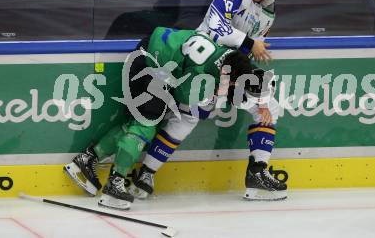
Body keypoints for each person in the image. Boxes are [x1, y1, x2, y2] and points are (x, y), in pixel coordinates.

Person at [131, 0, 288, 201]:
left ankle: (257, 172)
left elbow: (247, 53)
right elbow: (216, 27)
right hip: (200, 63)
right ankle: (146, 173)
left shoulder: (269, 12)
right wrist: (249, 43)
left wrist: (240, 82)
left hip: (228, 68)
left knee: (269, 107)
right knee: (187, 117)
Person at [64, 26, 252, 210]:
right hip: (149, 65)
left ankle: (87, 159)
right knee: (145, 125)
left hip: (154, 58)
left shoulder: (226, 55)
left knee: (136, 124)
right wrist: (218, 94)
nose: (232, 85)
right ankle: (114, 184)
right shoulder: (201, 71)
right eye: (233, 81)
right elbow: (184, 98)